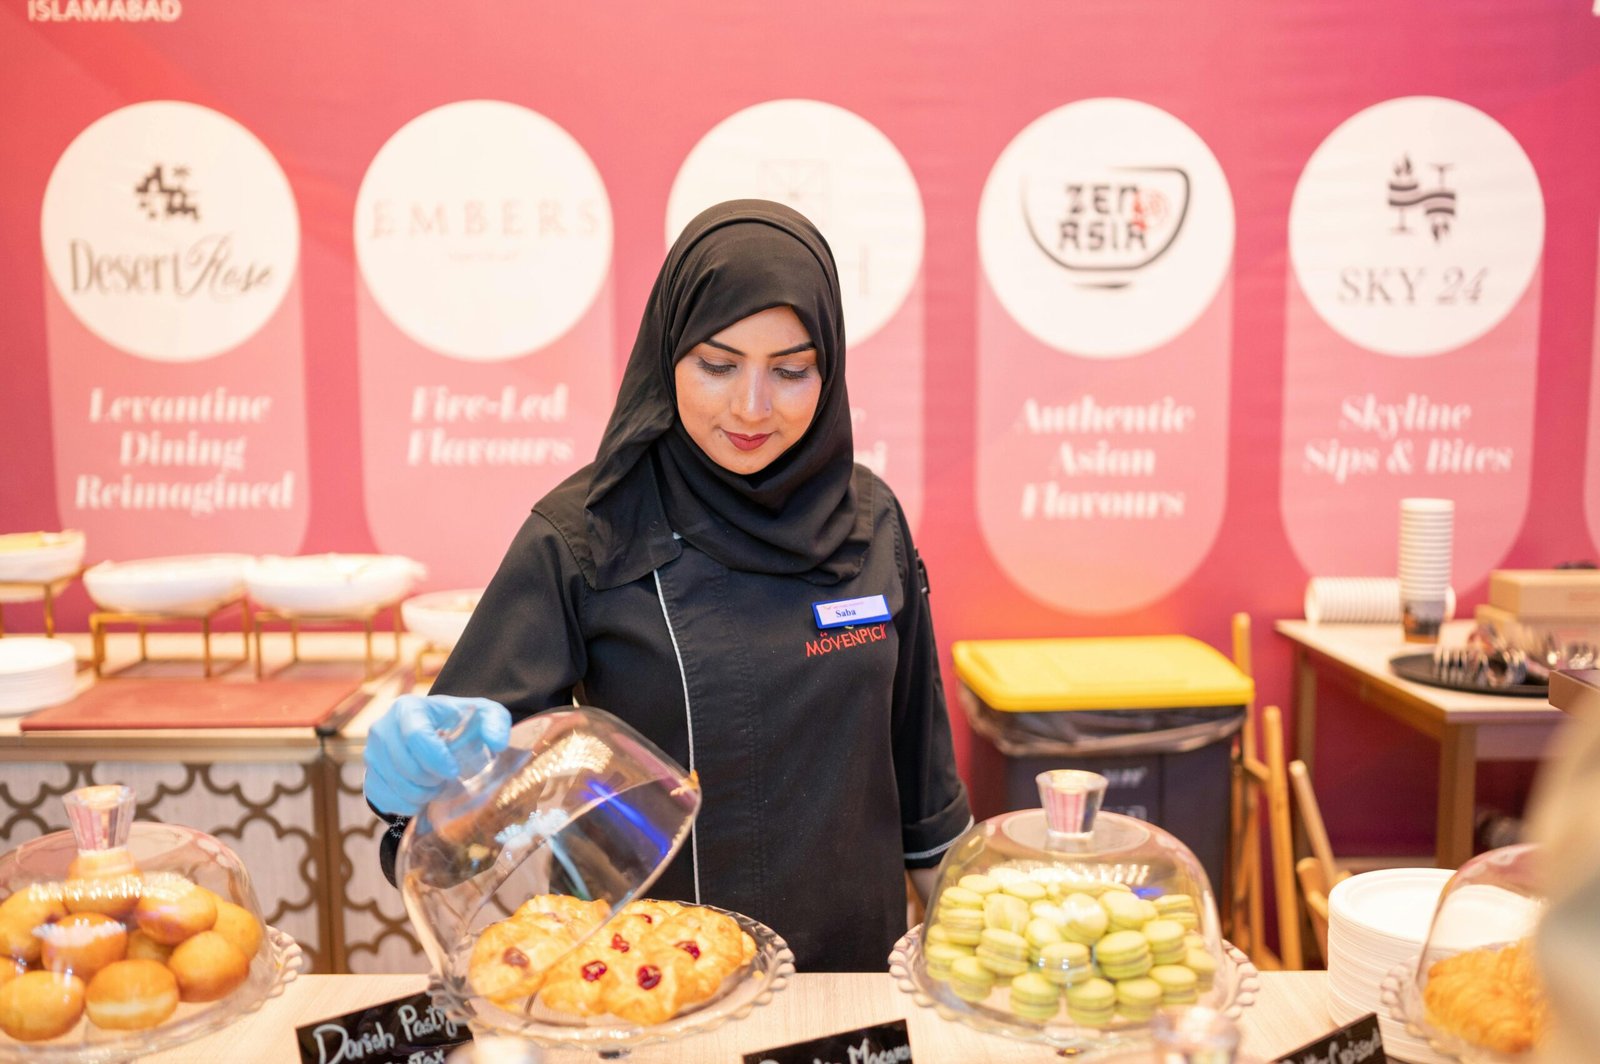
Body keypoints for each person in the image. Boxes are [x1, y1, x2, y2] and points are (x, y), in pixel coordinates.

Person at [364, 199, 972, 972]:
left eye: (790, 371)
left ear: (830, 369)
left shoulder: (872, 520)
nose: (751, 406)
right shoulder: (587, 535)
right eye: (717, 365)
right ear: (667, 355)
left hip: (849, 997)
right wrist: (410, 787)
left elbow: (924, 791)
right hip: (649, 994)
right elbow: (454, 829)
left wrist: (977, 961)